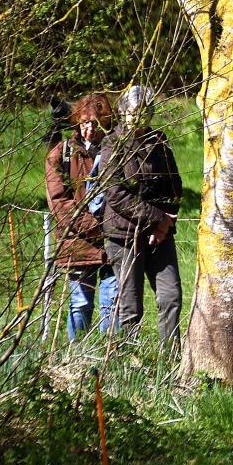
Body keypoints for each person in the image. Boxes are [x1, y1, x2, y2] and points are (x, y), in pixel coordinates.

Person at [101, 85, 182, 350]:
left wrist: (165, 223)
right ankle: (130, 363)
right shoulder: (112, 143)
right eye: (135, 112)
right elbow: (115, 194)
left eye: (146, 111)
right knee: (130, 306)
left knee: (171, 297)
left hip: (160, 235)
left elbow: (175, 186)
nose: (141, 117)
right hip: (124, 235)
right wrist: (155, 219)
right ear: (124, 112)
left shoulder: (159, 141)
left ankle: (169, 361)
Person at [45, 93, 117, 340]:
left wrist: (111, 229)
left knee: (113, 304)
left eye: (95, 123)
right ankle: (77, 356)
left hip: (112, 243)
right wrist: (98, 227)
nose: (89, 129)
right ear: (76, 121)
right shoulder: (61, 153)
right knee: (80, 302)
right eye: (84, 122)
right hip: (78, 243)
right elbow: (59, 204)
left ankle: (111, 356)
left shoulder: (117, 151)